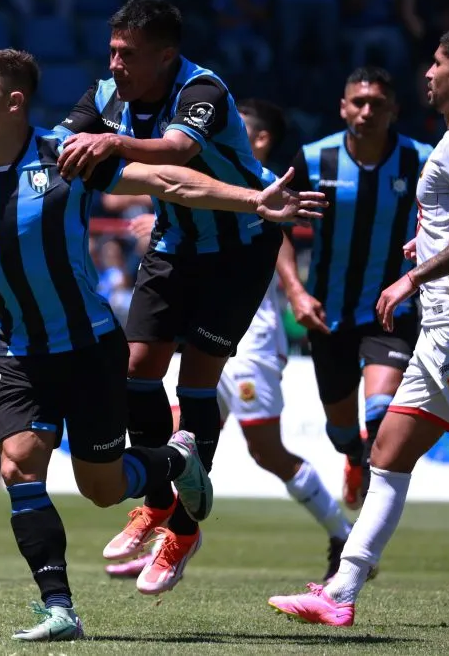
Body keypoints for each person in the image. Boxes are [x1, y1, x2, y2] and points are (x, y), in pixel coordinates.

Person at [0, 48, 325, 641]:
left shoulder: (65, 158)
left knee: (100, 489)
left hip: (89, 349)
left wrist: (251, 199)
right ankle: (60, 608)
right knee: (17, 464)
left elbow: (165, 179)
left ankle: (177, 458)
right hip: (19, 352)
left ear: (13, 101)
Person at [269, 27, 449, 627]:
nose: (429, 74)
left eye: (438, 64)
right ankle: (341, 591)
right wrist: (442, 240)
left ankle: (341, 589)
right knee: (386, 453)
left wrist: (413, 277)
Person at [46, 0, 292, 595]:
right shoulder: (108, 94)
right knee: (136, 370)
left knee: (197, 383)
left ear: (166, 55)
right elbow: (60, 139)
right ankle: (157, 500)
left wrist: (113, 146)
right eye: (112, 50)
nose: (115, 63)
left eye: (127, 54)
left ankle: (183, 530)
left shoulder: (201, 88)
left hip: (243, 244)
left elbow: (180, 151)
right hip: (175, 242)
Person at [106, 98, 355, 588]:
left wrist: (296, 289)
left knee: (266, 452)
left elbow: (279, 234)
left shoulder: (258, 181)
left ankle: (341, 532)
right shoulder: (215, 179)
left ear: (257, 138)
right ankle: (170, 528)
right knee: (177, 427)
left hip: (254, 338)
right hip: (209, 330)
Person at [280, 67, 433, 509]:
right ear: (343, 107)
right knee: (343, 430)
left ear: (394, 110)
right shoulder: (313, 159)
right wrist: (296, 292)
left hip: (391, 312)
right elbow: (277, 226)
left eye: (377, 104)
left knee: (381, 414)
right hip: (328, 314)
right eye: (358, 103)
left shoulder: (420, 160)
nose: (367, 111)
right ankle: (352, 456)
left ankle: (370, 508)